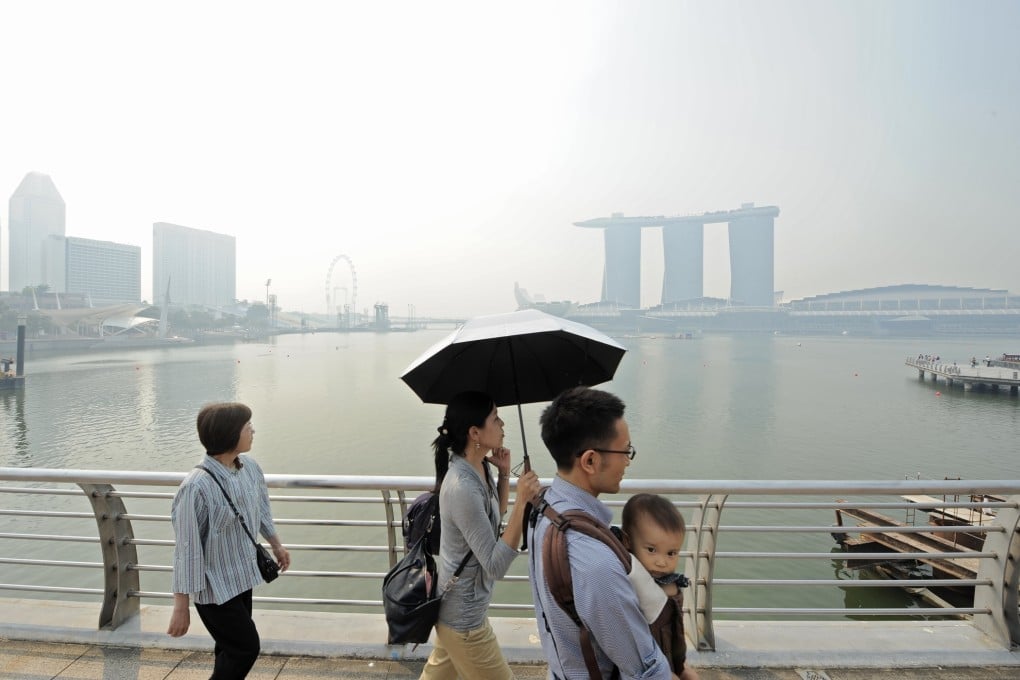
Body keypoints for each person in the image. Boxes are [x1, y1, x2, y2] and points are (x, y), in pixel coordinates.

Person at [529, 386, 679, 680]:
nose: (627, 461)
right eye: (625, 451)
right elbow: (642, 668)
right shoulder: (594, 562)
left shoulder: (542, 508)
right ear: (589, 461)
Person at [419, 391, 541, 680]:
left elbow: (492, 516)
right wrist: (523, 502)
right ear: (475, 432)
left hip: (457, 611)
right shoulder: (462, 486)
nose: (502, 425)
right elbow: (495, 565)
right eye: (495, 418)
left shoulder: (479, 467)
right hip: (464, 622)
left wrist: (505, 475)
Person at [167, 402, 291, 679]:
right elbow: (186, 549)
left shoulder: (249, 468)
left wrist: (276, 544)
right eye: (248, 427)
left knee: (229, 648)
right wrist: (181, 606)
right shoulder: (196, 487)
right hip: (213, 589)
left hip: (241, 576)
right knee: (245, 648)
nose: (253, 431)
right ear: (230, 433)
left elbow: (261, 510)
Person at [619, 494, 699, 680]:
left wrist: (681, 665)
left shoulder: (670, 582)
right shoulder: (626, 581)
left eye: (672, 553)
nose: (662, 562)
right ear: (628, 542)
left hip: (670, 658)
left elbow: (674, 631)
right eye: (651, 550)